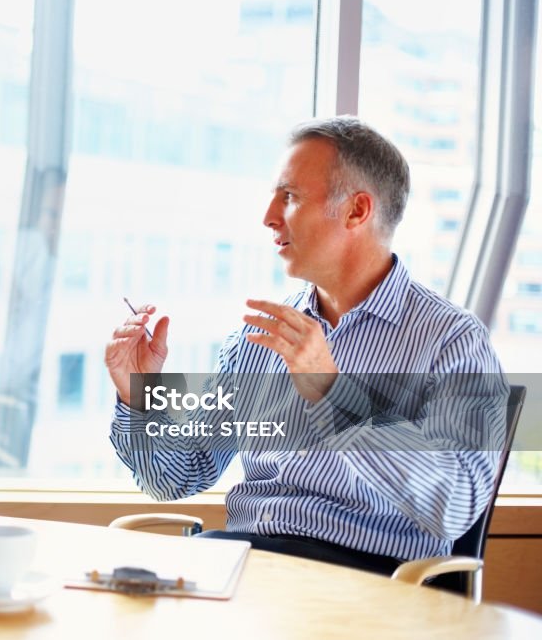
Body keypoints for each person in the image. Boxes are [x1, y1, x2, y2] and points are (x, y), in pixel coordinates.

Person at [106, 116, 507, 574]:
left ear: (357, 211)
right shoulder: (258, 339)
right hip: (245, 563)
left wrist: (334, 395)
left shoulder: (452, 342)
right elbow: (176, 475)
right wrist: (137, 397)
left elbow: (455, 503)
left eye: (290, 196)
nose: (268, 217)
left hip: (365, 582)